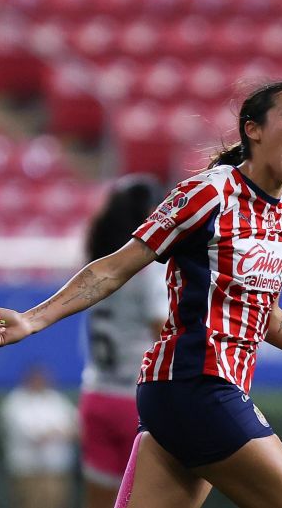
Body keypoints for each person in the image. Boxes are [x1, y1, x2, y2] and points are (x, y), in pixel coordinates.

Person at [0, 80, 282, 508]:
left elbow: (264, 316)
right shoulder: (210, 192)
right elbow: (113, 269)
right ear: (253, 129)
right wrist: (33, 319)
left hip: (191, 396)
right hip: (197, 387)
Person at [79, 174, 167, 508]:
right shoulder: (147, 271)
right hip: (136, 399)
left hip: (96, 395)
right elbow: (163, 335)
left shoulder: (93, 266)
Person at [0, 364, 78, 508]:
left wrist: (55, 433)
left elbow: (76, 429)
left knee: (56, 503)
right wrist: (57, 432)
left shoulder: (56, 400)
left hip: (56, 471)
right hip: (27, 472)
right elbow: (34, 435)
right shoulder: (16, 402)